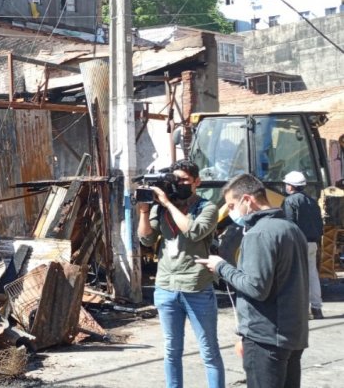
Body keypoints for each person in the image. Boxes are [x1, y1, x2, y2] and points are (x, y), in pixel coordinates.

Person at [197, 174, 309, 388]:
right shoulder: (291, 229)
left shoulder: (259, 234)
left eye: (231, 205)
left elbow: (256, 287)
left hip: (265, 337)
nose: (231, 212)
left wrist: (221, 267)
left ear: (247, 200)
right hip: (292, 334)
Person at [138, 160, 224, 388]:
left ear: (197, 181)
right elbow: (145, 239)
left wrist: (167, 202)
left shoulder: (207, 207)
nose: (180, 184)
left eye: (185, 180)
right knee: (171, 350)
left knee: (209, 350)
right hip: (166, 287)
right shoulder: (161, 209)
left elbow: (194, 231)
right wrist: (145, 212)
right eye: (176, 180)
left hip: (197, 287)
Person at [282, 171, 324, 319]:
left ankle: (303, 311)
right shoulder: (312, 201)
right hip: (313, 243)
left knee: (299, 277)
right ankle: (317, 309)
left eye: (287, 184)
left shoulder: (290, 201)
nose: (285, 186)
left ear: (291, 187)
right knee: (312, 275)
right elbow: (319, 224)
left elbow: (289, 225)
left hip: (298, 243)